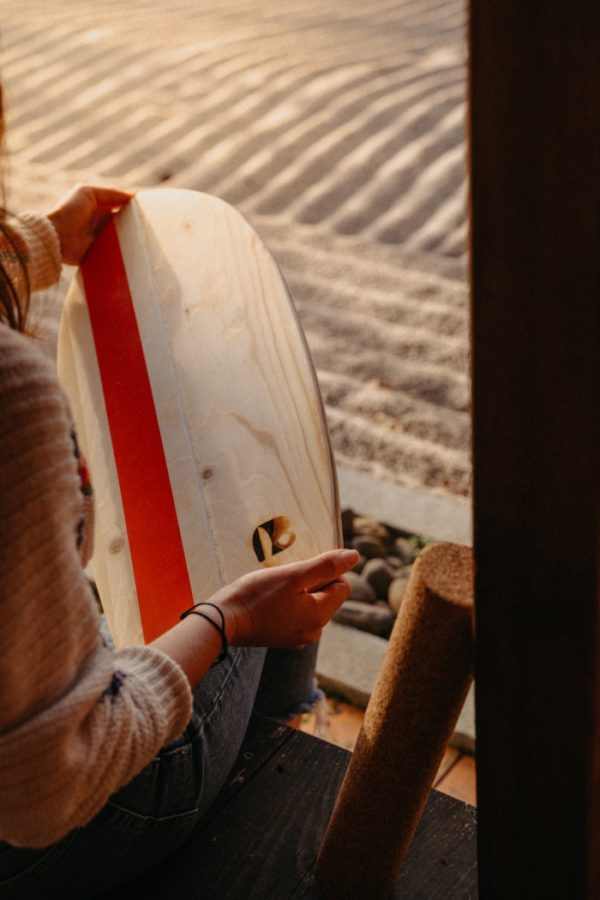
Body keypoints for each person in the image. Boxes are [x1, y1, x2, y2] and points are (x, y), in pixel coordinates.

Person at [0, 181, 358, 899]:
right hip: (82, 814)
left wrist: (28, 243)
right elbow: (47, 783)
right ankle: (288, 739)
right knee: (272, 517)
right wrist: (232, 621)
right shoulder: (14, 397)